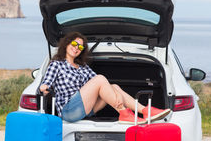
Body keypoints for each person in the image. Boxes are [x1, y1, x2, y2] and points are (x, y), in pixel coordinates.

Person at [39, 32, 171, 124]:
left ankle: (145, 111)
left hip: (86, 109)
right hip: (69, 111)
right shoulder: (57, 64)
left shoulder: (82, 67)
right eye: (74, 44)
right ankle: (124, 113)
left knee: (114, 87)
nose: (76, 48)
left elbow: (101, 84)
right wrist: (44, 88)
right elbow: (46, 83)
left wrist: (115, 94)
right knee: (102, 79)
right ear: (67, 43)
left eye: (80, 46)